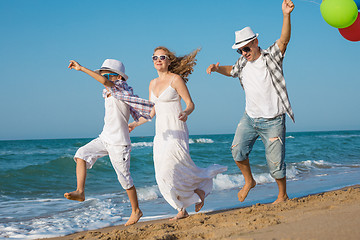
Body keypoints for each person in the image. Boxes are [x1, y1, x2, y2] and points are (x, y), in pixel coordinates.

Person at [206, 0, 295, 204]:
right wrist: (217, 68)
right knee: (237, 151)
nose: (244, 53)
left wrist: (286, 15)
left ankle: (282, 196)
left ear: (255, 41)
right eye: (240, 51)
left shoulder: (270, 57)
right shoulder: (242, 63)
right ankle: (249, 181)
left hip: (273, 119)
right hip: (250, 118)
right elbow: (232, 71)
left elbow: (284, 40)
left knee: (275, 164)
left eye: (246, 48)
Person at [129, 47, 227, 220]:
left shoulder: (176, 79)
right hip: (162, 133)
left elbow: (190, 104)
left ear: (169, 61)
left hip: (177, 128)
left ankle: (197, 194)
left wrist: (186, 113)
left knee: (173, 168)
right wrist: (135, 124)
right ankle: (184, 205)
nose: (158, 60)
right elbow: (151, 112)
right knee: (162, 174)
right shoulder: (152, 83)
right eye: (155, 57)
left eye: (162, 57)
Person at [64, 59, 154, 226]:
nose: (102, 78)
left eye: (106, 75)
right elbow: (106, 84)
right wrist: (133, 123)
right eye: (101, 74)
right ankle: (80, 191)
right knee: (81, 154)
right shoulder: (109, 92)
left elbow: (107, 83)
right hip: (105, 138)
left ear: (118, 77)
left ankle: (136, 211)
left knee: (125, 179)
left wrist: (82, 68)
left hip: (119, 143)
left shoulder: (120, 88)